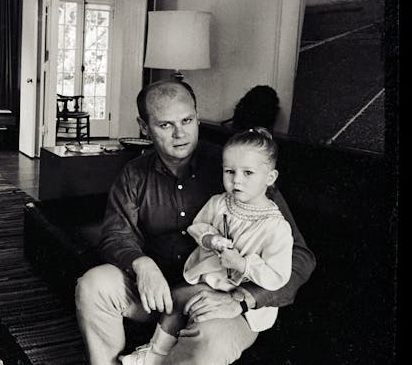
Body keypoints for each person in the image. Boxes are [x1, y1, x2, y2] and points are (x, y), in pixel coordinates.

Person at [75, 80, 316, 365]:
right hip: (158, 292)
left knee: (209, 345)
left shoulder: (235, 168)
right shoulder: (134, 174)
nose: (180, 134)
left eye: (187, 120)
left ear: (197, 117)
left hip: (221, 299)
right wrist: (141, 264)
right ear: (144, 127)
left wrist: (241, 299)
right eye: (165, 125)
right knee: (93, 284)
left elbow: (301, 257)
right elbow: (116, 235)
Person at [121, 127, 293, 365]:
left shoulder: (276, 227)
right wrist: (209, 238)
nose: (236, 181)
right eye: (230, 171)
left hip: (239, 300)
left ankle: (157, 357)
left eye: (248, 173)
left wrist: (243, 264)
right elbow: (197, 226)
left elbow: (278, 276)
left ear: (270, 178)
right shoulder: (220, 203)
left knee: (196, 315)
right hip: (210, 283)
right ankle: (155, 353)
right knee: (178, 298)